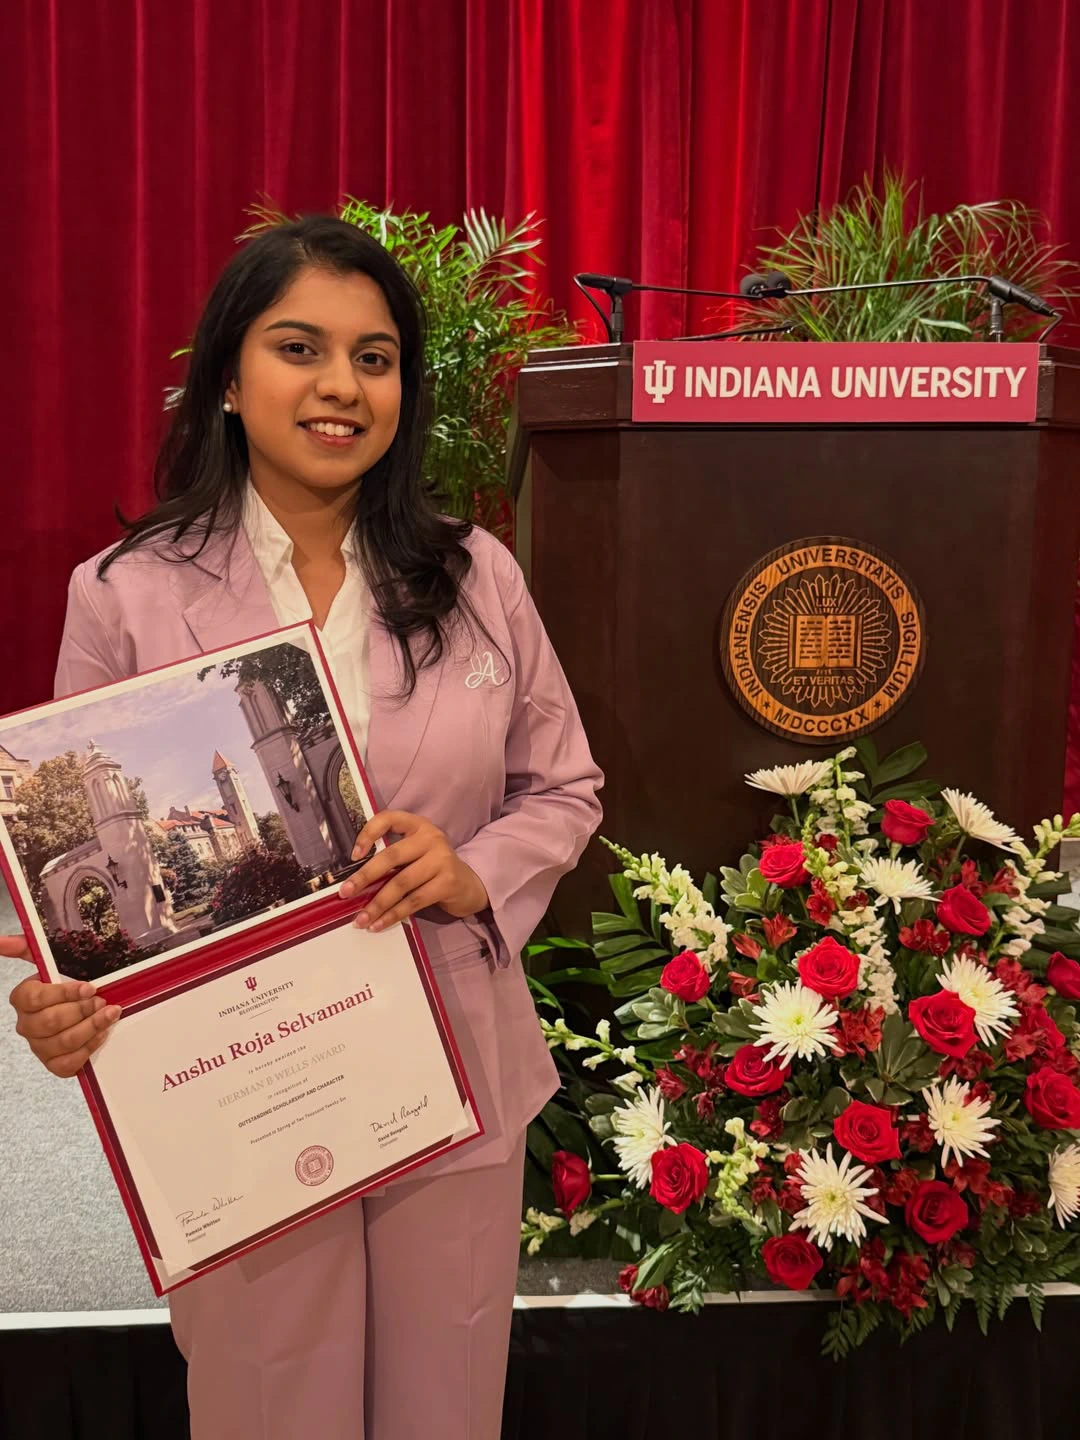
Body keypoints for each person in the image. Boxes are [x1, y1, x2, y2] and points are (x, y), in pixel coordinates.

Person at [4, 215, 602, 1440]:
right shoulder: (124, 592)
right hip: (235, 1084)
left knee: (445, 1409)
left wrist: (470, 869)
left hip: (450, 1068)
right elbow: (65, 847)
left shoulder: (477, 575)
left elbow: (566, 788)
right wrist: (61, 996)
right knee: (270, 1406)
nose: (340, 386)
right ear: (229, 376)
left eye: (374, 358)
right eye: (300, 348)